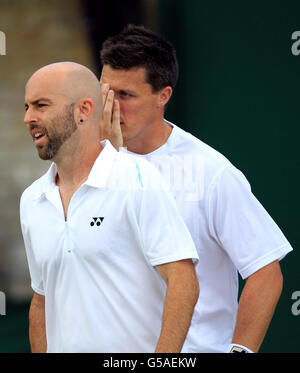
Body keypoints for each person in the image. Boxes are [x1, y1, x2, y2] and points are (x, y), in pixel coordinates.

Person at [99, 24, 293, 353]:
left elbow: (265, 271)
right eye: (106, 92)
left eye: (126, 95)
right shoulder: (89, 163)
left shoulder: (211, 171)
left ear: (164, 95)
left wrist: (240, 351)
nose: (113, 106)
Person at [20, 61, 200, 353]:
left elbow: (183, 280)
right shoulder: (31, 200)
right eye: (26, 107)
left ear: (84, 111)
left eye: (41, 105)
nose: (29, 118)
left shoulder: (138, 179)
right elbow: (41, 300)